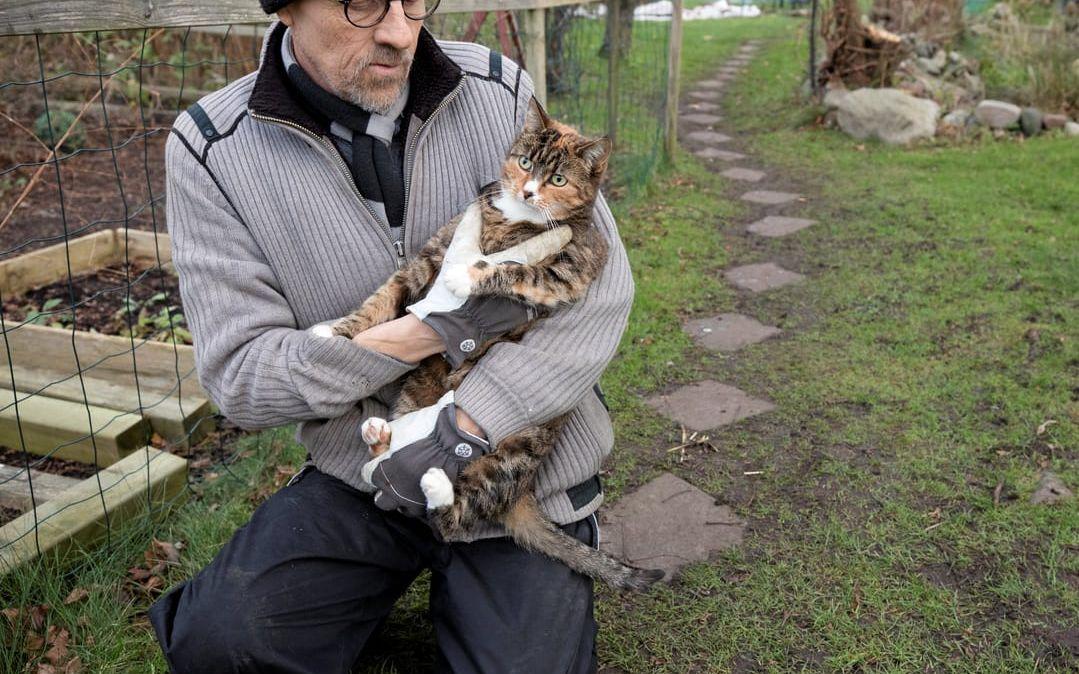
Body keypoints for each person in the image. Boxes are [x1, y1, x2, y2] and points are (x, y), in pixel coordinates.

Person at [148, 0, 634, 671]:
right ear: (285, 6)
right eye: (362, 5)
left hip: (514, 474)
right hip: (362, 468)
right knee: (223, 643)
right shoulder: (210, 147)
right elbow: (243, 380)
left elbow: (604, 290)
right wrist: (430, 330)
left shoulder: (497, 87)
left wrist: (469, 423)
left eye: (415, 2)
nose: (401, 33)